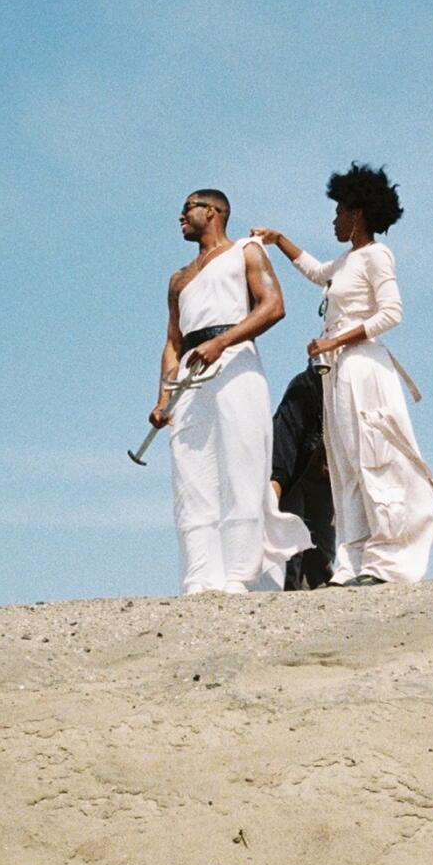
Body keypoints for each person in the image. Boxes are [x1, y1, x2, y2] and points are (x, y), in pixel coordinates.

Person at [252, 163, 433, 586]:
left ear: (357, 213)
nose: (335, 219)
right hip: (337, 372)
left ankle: (387, 562)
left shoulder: (377, 255)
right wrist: (278, 239)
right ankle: (352, 563)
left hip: (363, 367)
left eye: (340, 210)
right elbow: (315, 272)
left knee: (374, 457)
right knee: (345, 464)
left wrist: (335, 341)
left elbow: (392, 312)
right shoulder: (345, 261)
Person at [151, 189, 310, 595]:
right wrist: (163, 396)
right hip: (191, 370)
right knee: (192, 471)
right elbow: (172, 340)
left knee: (241, 462)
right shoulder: (179, 278)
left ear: (212, 211)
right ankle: (199, 576)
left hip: (234, 359)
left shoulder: (247, 251)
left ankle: (241, 574)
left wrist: (223, 342)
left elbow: (273, 306)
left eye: (187, 208)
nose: (180, 216)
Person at [270, 363, 334, 589]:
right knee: (292, 546)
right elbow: (284, 442)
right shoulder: (304, 387)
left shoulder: (355, 389)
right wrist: (272, 495)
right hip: (292, 474)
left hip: (327, 479)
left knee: (323, 551)